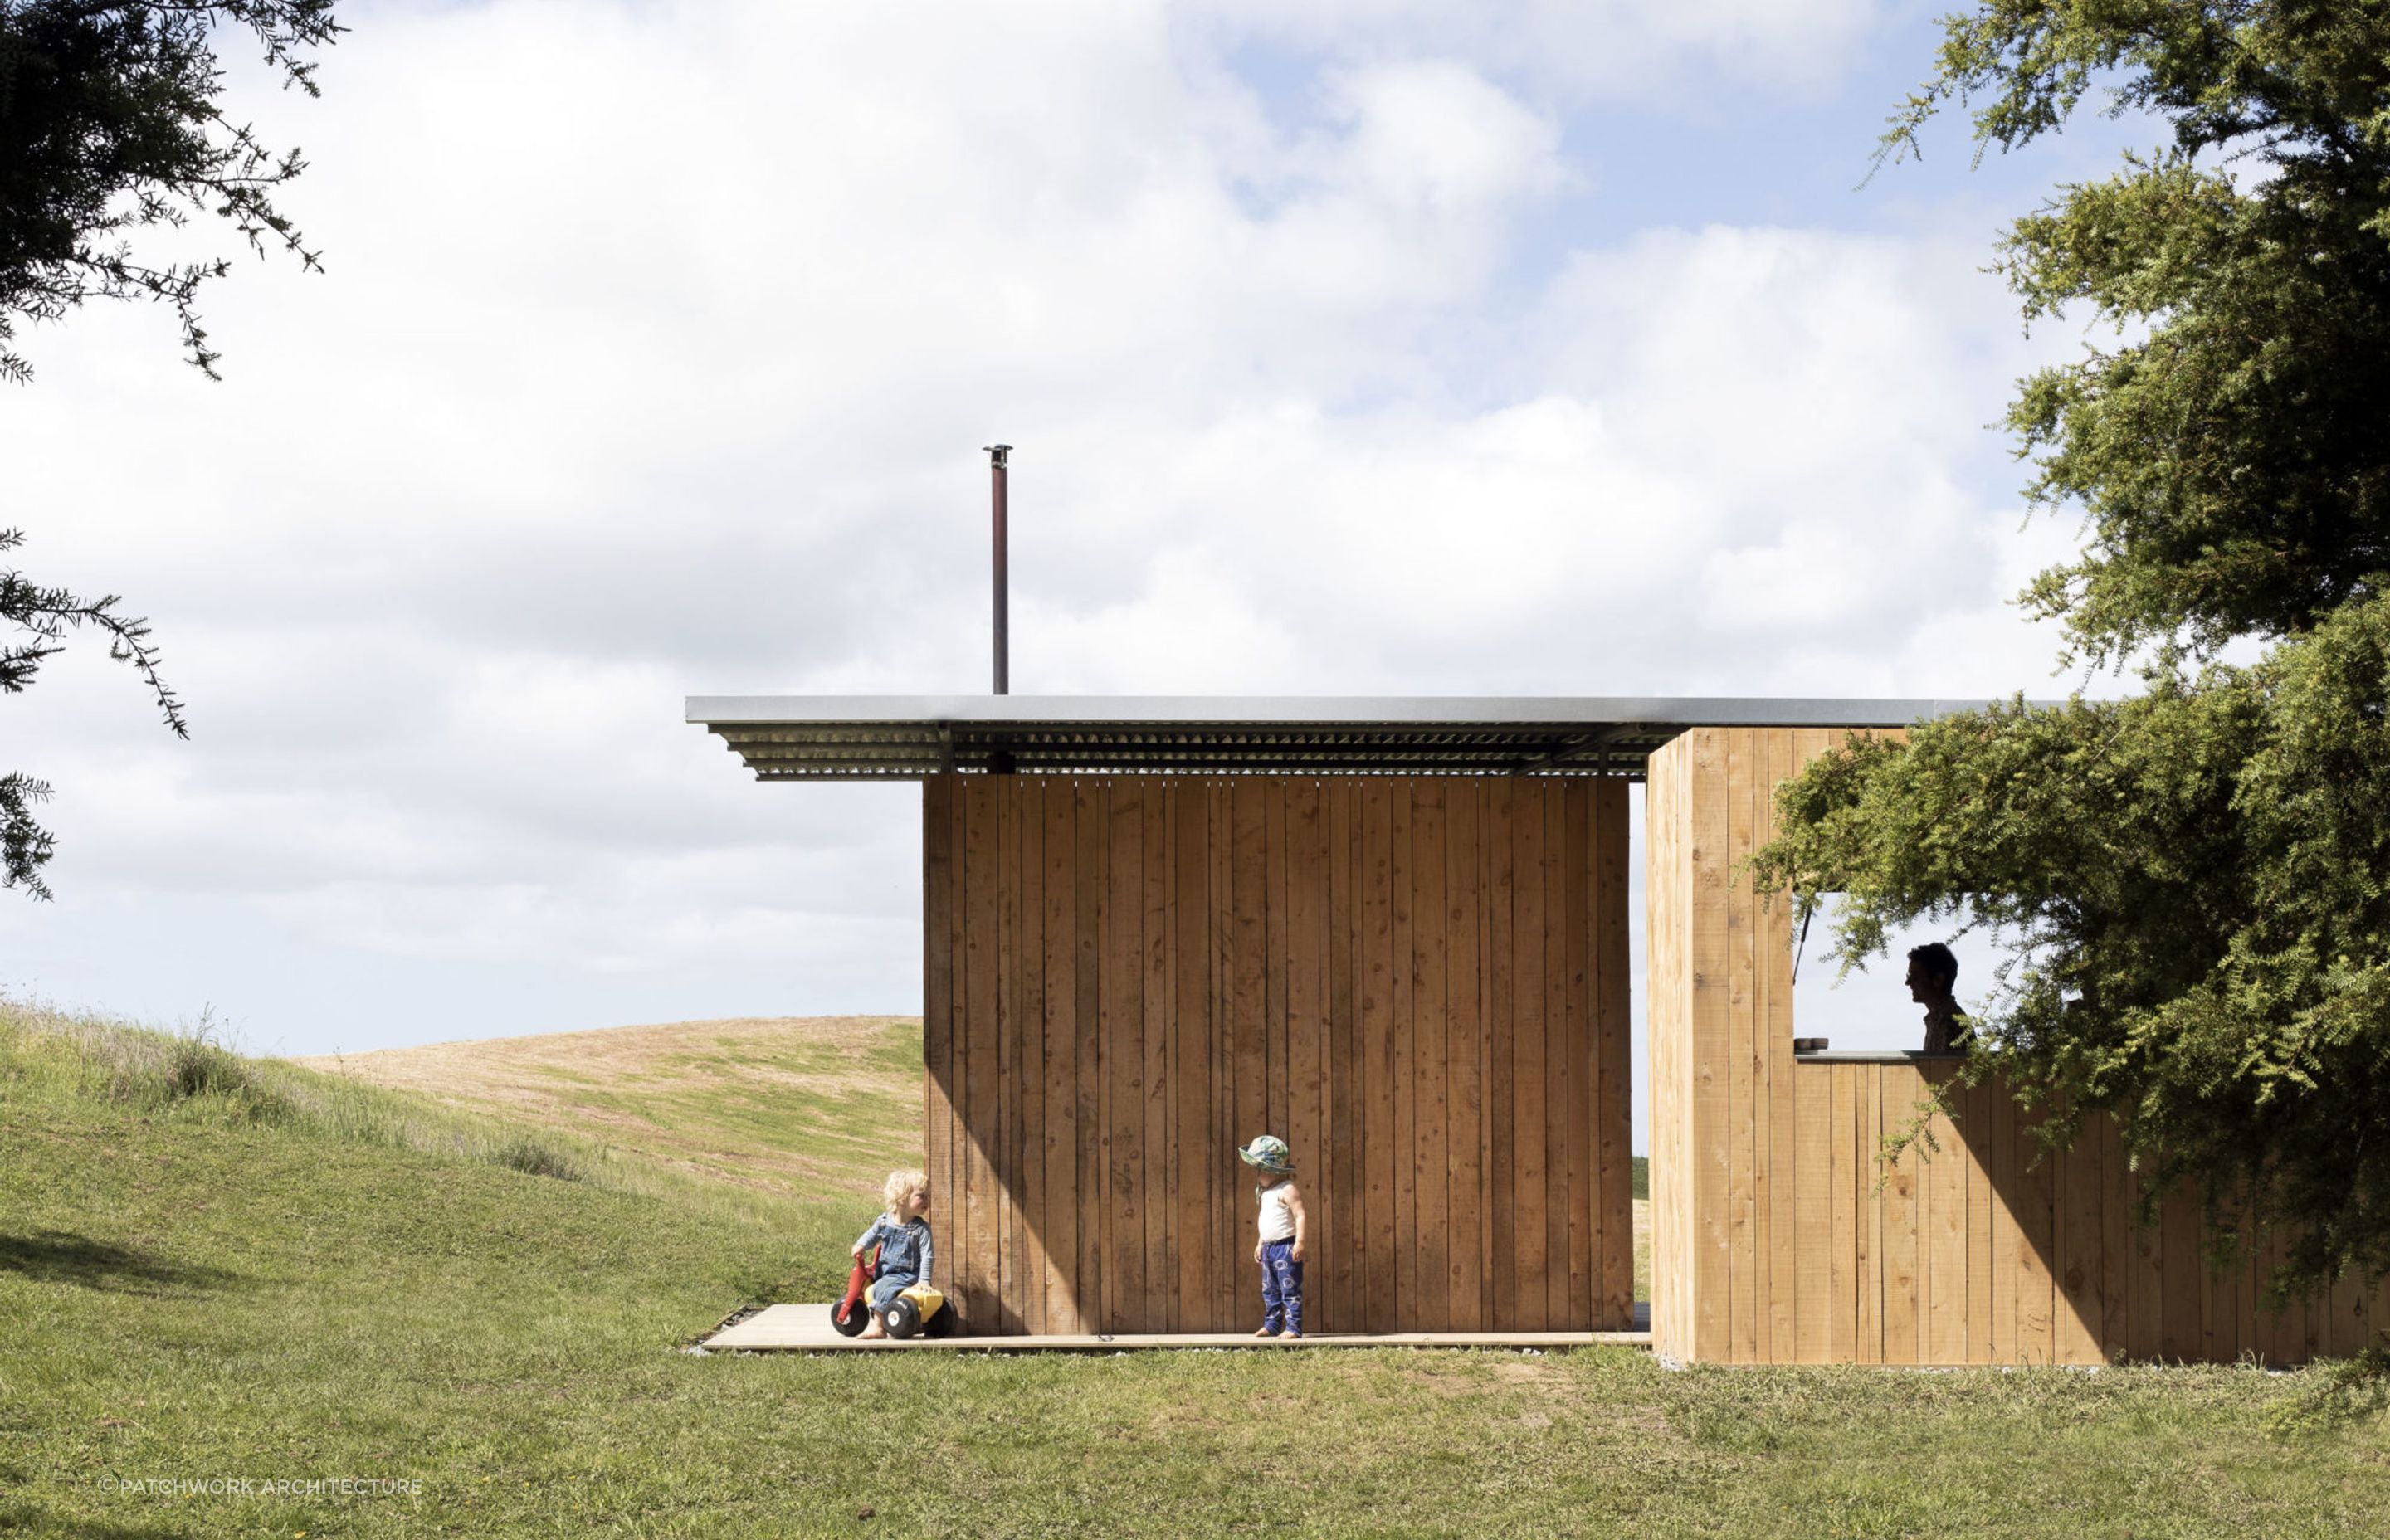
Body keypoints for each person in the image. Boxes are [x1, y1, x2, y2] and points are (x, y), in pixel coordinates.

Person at [851, 1168, 934, 1340]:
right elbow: (871, 1235)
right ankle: (911, 1323)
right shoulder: (884, 1222)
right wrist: (861, 1245)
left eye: (928, 1196)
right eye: (921, 1196)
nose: (927, 1201)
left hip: (907, 1275)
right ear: (902, 1199)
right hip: (885, 1272)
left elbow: (928, 1256)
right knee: (879, 1283)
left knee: (882, 1288)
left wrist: (923, 1280)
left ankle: (879, 1328)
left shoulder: (921, 1229)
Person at [1238, 1133, 1306, 1339]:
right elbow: (1265, 1222)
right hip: (1269, 1247)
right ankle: (1272, 1324)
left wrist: (1300, 1242)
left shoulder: (1287, 1189)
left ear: (1275, 1170)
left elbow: (1300, 1214)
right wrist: (1260, 1244)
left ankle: (1293, 1327)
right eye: (1259, 1170)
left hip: (1286, 1247)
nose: (1259, 1174)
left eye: (1263, 1170)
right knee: (1270, 1289)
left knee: (1289, 1288)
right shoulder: (1266, 1193)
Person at [1906, 942, 1972, 1053]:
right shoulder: (1937, 1018)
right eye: (1909, 976)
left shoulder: (1948, 1021)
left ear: (1938, 980)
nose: (1908, 982)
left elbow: (1943, 1069)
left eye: (1915, 976)